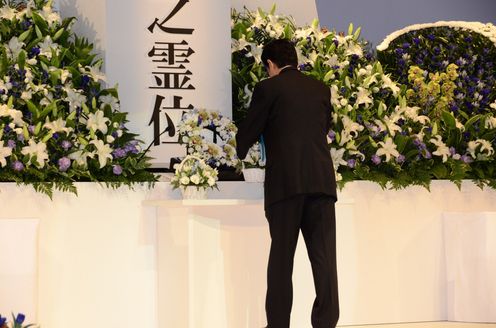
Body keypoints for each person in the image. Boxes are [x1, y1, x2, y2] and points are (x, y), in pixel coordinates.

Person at [236, 39, 339, 328]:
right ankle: (325, 323)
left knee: (282, 261)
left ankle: (278, 325)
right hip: (321, 183)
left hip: (286, 186)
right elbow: (323, 128)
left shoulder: (268, 88)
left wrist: (238, 152)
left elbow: (248, 131)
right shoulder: (320, 89)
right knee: (324, 261)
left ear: (270, 64)